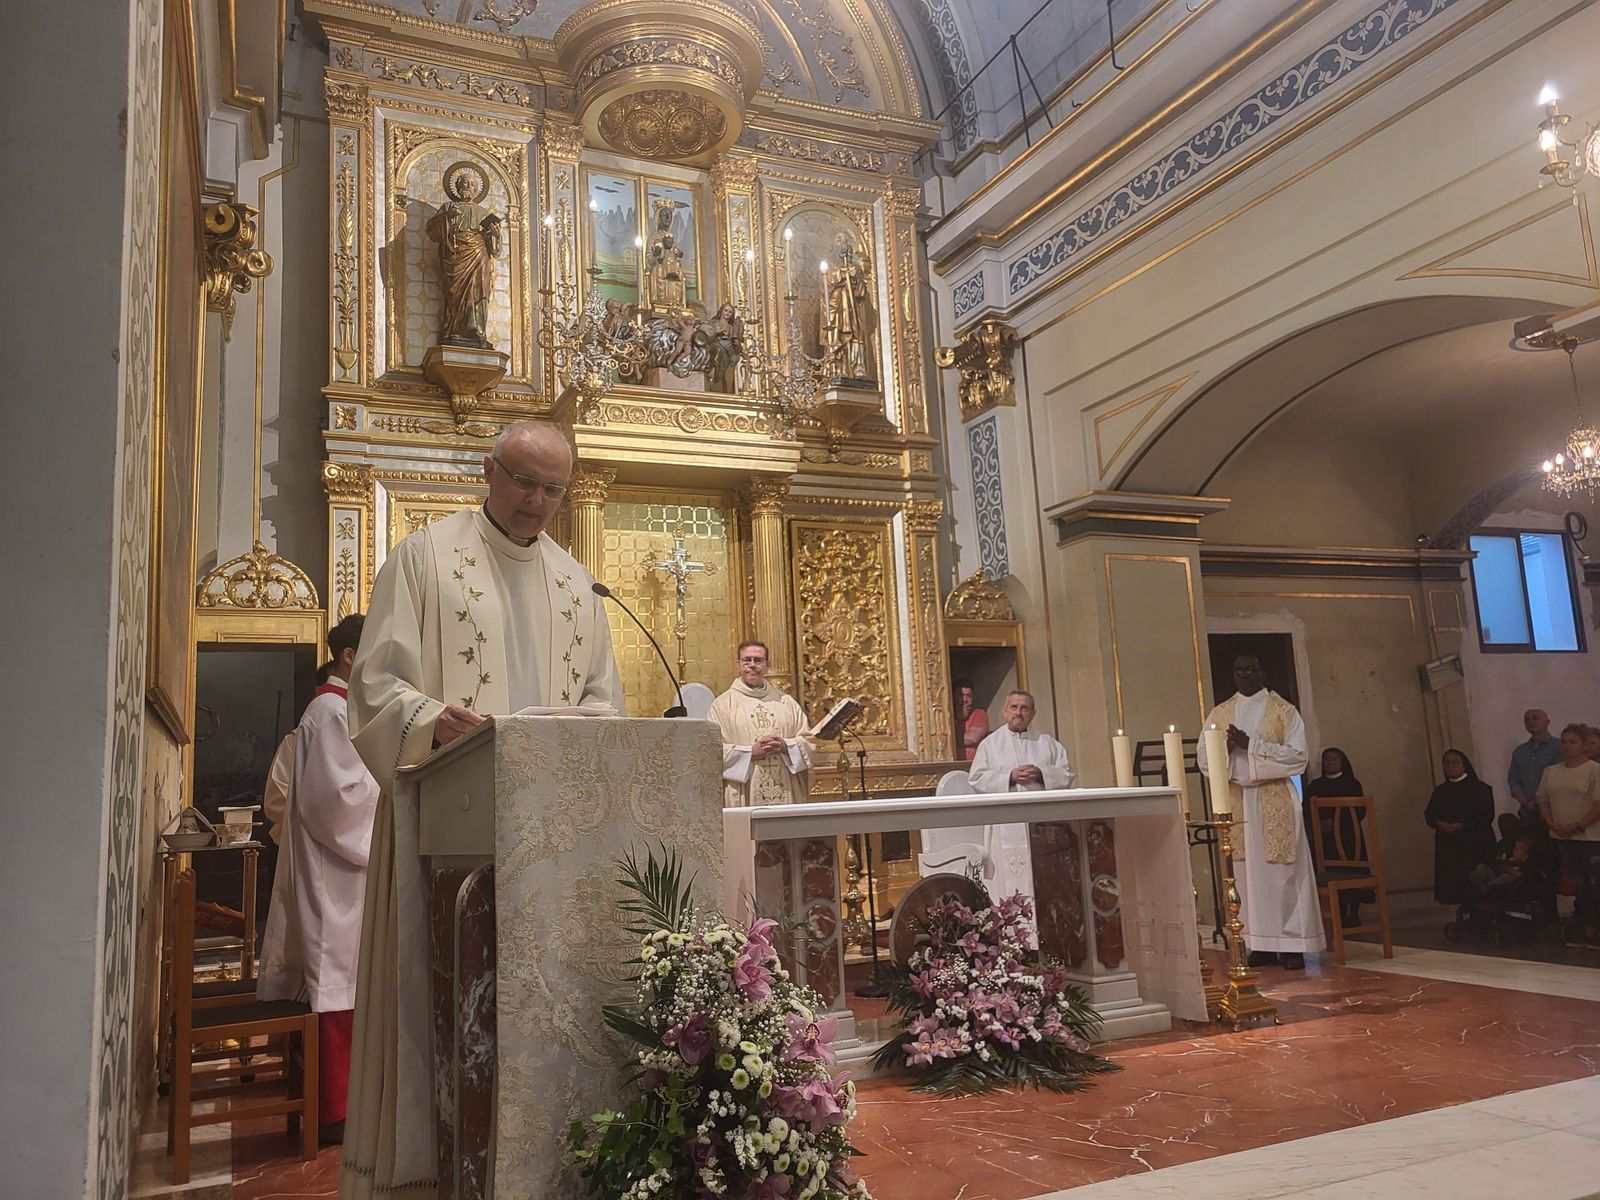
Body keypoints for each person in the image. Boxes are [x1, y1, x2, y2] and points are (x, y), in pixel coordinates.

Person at [341, 420, 623, 1198]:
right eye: (524, 481)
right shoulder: (423, 558)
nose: (537, 500)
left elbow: (604, 702)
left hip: (553, 836)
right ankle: (439, 1172)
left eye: (553, 489)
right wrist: (431, 720)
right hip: (447, 821)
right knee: (443, 1008)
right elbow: (375, 685)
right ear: (488, 470)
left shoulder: (579, 584)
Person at [256, 616, 380, 1142]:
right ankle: (335, 1113)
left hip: (344, 870)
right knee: (339, 982)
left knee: (348, 982)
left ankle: (347, 1105)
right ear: (349, 655)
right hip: (338, 873)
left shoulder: (342, 709)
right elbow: (338, 803)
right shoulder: (331, 712)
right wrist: (399, 794)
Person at [1198, 655, 1322, 970]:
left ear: (1262, 672)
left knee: (1281, 876)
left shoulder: (1284, 711)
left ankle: (1292, 946)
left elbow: (1298, 757)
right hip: (1238, 800)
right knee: (1244, 877)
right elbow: (1204, 760)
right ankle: (1259, 944)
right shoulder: (1219, 713)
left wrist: (1250, 745)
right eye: (1238, 670)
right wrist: (1225, 749)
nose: (1244, 675)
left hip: (1274, 796)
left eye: (1250, 669)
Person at [707, 640, 813, 806]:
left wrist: (786, 746)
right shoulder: (722, 705)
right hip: (745, 793)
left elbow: (809, 741)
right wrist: (749, 753)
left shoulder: (786, 702)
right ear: (738, 664)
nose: (752, 665)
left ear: (767, 665)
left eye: (758, 660)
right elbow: (710, 750)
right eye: (746, 660)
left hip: (786, 791)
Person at [424, 160, 502, 348]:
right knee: (454, 292)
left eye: (472, 184)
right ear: (458, 187)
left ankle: (477, 331)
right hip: (455, 254)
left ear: (476, 190)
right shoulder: (447, 207)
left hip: (479, 255)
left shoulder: (483, 213)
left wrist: (496, 235)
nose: (468, 186)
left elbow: (495, 250)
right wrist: (448, 217)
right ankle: (454, 329)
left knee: (478, 290)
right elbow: (432, 233)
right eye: (464, 183)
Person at [1536, 724, 1600, 949]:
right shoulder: (1551, 771)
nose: (1567, 746)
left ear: (1584, 745)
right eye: (1564, 742)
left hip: (1591, 837)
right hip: (1562, 835)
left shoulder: (1594, 770)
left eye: (1573, 742)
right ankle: (1589, 928)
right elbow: (1543, 799)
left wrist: (1579, 825)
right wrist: (1551, 823)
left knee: (1596, 883)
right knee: (1580, 884)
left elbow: (1598, 804)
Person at [1302, 747, 1368, 928]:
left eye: (1335, 759)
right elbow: (1306, 809)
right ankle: (1336, 915)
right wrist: (1318, 823)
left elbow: (1359, 810)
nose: (1330, 762)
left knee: (1352, 875)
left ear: (1342, 762)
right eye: (1327, 759)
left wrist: (1336, 823)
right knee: (1330, 876)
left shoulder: (1352, 785)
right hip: (1325, 841)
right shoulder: (1316, 786)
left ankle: (1353, 914)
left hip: (1349, 839)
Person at [1424, 749, 1497, 906]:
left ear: (1464, 765)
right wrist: (1439, 823)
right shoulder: (1440, 791)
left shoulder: (1480, 789)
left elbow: (1487, 815)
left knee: (1476, 889)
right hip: (1449, 845)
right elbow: (1429, 814)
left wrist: (1463, 825)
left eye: (1455, 762)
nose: (1450, 766)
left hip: (1474, 843)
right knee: (1454, 890)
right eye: (1446, 762)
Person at [967, 690, 1075, 793]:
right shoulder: (989, 744)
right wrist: (1010, 777)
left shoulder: (1048, 743)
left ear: (1033, 714)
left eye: (1024, 708)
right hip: (1007, 805)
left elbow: (1066, 774)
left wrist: (1041, 774)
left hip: (1040, 803)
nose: (1018, 713)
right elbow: (976, 779)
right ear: (1005, 712)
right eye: (1014, 707)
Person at [1506, 708, 1562, 841]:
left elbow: (1561, 777)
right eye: (1527, 719)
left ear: (1547, 722)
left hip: (1555, 811)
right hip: (1529, 812)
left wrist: (1540, 803)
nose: (1530, 721)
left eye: (1535, 718)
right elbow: (1513, 779)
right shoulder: (1520, 751)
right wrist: (1524, 801)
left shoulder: (1560, 746)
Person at [954, 678, 989, 763]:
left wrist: (950, 740)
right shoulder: (947, 716)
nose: (965, 700)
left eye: (969, 696)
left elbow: (973, 738)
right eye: (961, 696)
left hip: (974, 764)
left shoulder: (980, 714)